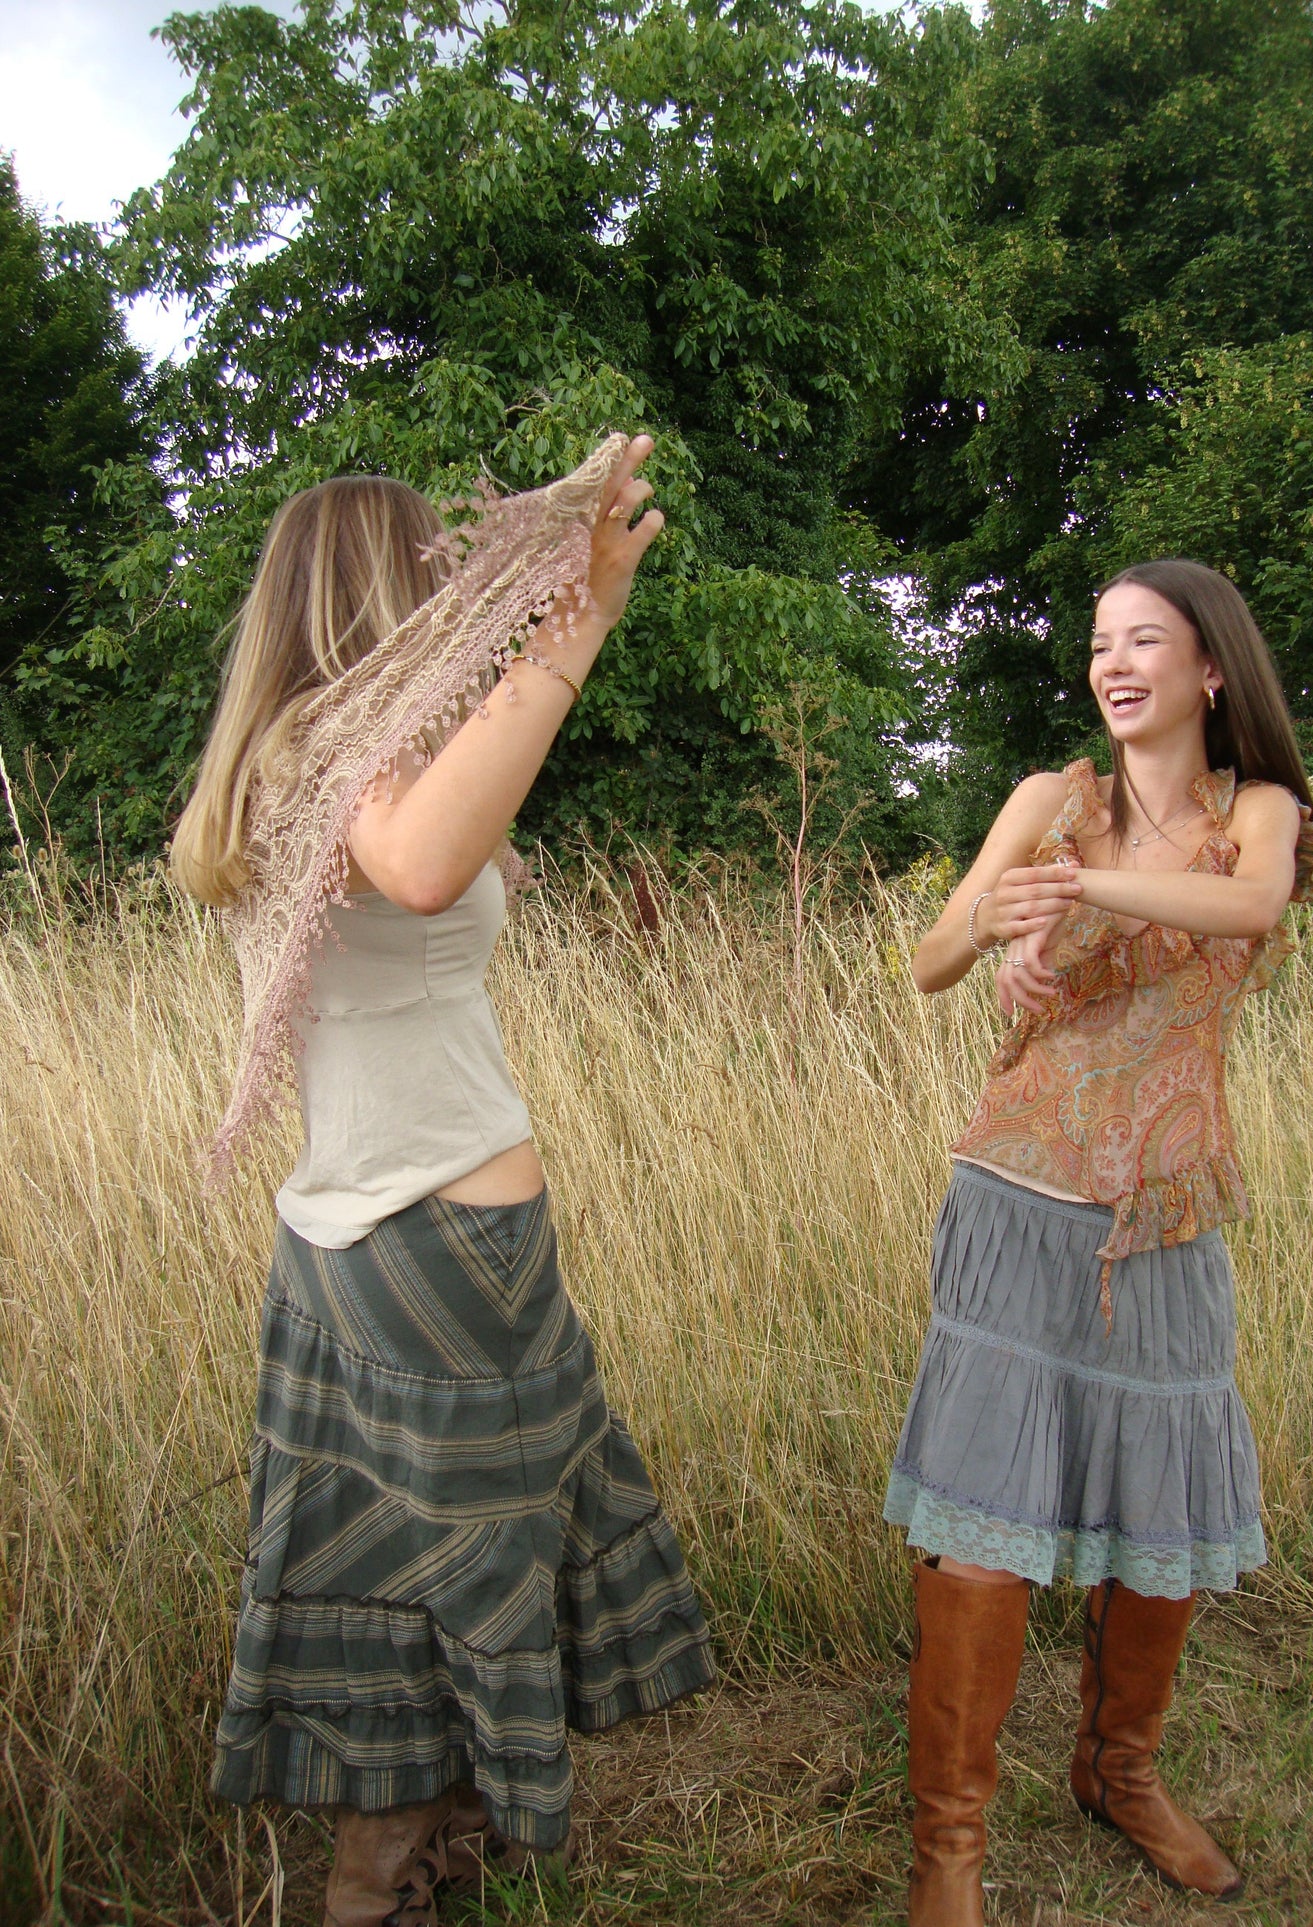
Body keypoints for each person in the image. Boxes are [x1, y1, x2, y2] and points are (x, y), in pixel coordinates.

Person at [171, 435, 715, 1925]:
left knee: (410, 1568)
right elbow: (419, 871)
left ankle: (423, 1865)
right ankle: (371, 1890)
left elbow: (420, 877)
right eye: (434, 578)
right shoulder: (336, 762)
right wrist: (576, 623)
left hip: (354, 1229)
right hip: (441, 1241)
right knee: (459, 1575)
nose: (448, 605)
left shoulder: (285, 762)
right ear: (381, 592)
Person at [885, 559, 1313, 1926]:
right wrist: (1005, 925)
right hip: (1015, 1197)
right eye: (1097, 644)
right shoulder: (1044, 802)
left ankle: (1115, 1771)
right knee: (979, 1544)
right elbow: (931, 958)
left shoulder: (1256, 814)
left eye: (1146, 641)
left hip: (1163, 1215)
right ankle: (947, 1850)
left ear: (1210, 671)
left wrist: (1096, 887)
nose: (1112, 663)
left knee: (1158, 1530)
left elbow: (1249, 907)